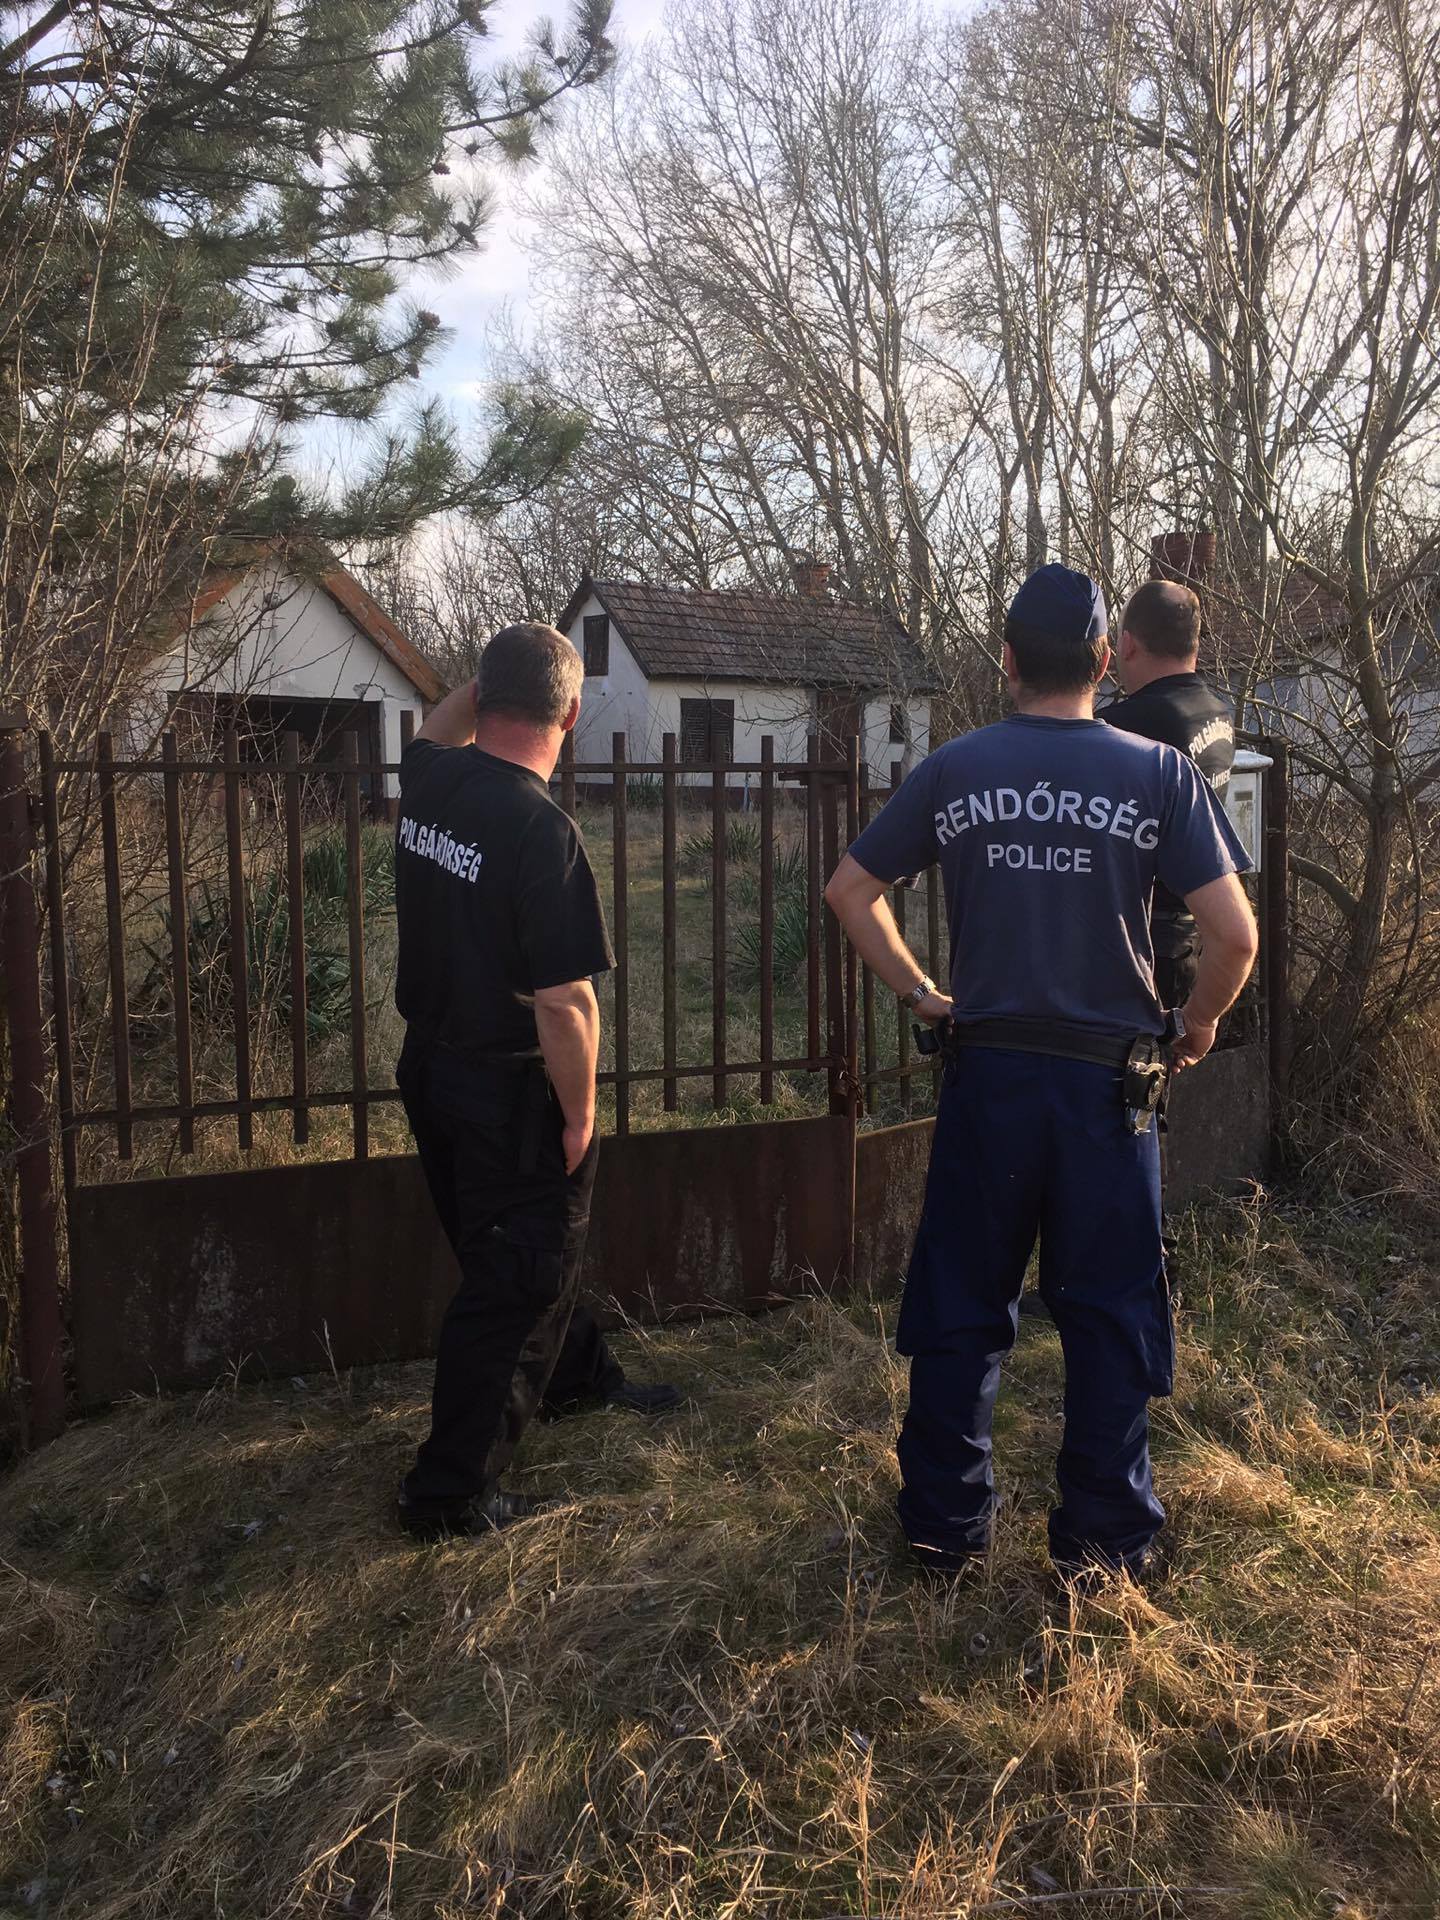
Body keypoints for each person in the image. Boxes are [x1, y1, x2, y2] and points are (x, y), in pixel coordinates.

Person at [824, 564, 1258, 1583]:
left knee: (962, 1303)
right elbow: (1234, 936)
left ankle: (943, 1529)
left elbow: (850, 890)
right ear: (1106, 661)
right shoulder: (1160, 775)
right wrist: (1194, 1025)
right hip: (1111, 1095)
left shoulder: (956, 768)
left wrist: (921, 992)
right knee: (1109, 1312)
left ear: (1008, 659)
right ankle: (1106, 1544)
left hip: (990, 1081)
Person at [393, 623, 680, 1542]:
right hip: (505, 1089)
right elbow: (565, 1002)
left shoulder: (432, 780)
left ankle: (574, 1379)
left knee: (517, 1251)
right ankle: (449, 1494)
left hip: (430, 1067)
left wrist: (482, 682)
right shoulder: (538, 828)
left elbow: (433, 729)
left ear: (482, 696)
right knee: (518, 1275)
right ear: (572, 714)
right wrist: (580, 1116)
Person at [1101, 579, 1236, 1011]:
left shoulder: (1123, 727)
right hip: (1188, 929)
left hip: (1137, 940)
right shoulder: (1217, 712)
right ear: (1193, 643)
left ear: (1126, 644)